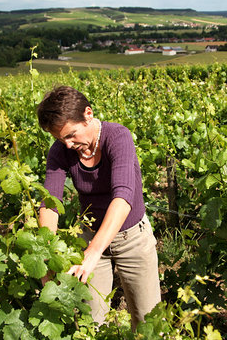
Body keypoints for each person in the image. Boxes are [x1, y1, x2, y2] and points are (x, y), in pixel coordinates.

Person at [36, 85, 161, 329]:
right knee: (90, 325)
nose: (68, 144)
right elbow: (50, 202)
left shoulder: (118, 137)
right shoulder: (60, 151)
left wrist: (93, 252)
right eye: (61, 139)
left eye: (71, 135)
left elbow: (123, 196)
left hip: (132, 238)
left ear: (88, 114)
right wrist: (45, 253)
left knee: (149, 323)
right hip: (89, 237)